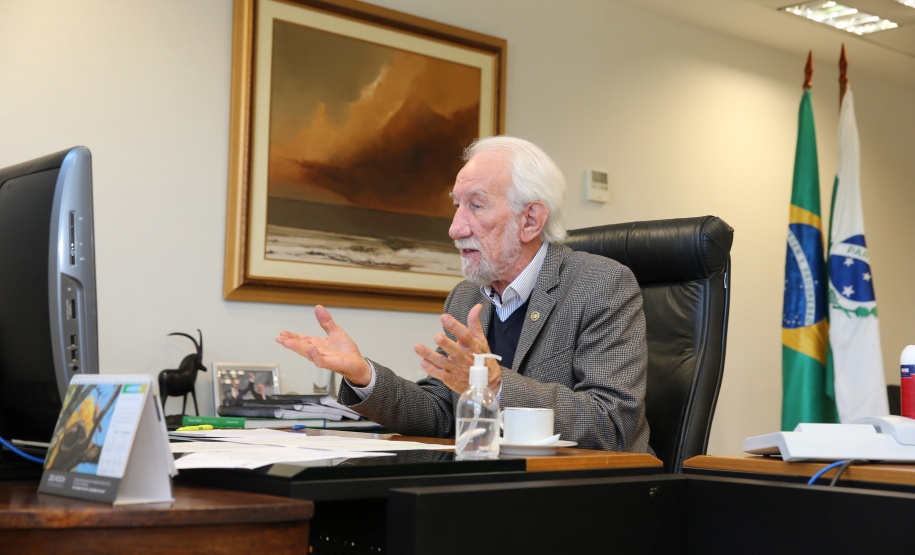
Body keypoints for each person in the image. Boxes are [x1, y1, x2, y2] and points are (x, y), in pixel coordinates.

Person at [276, 136, 650, 452]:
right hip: (490, 490)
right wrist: (363, 375)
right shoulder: (466, 297)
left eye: (475, 205)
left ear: (531, 220)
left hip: (584, 495)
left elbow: (613, 422)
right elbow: (441, 414)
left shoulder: (601, 285)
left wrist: (497, 385)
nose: (455, 229)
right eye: (456, 205)